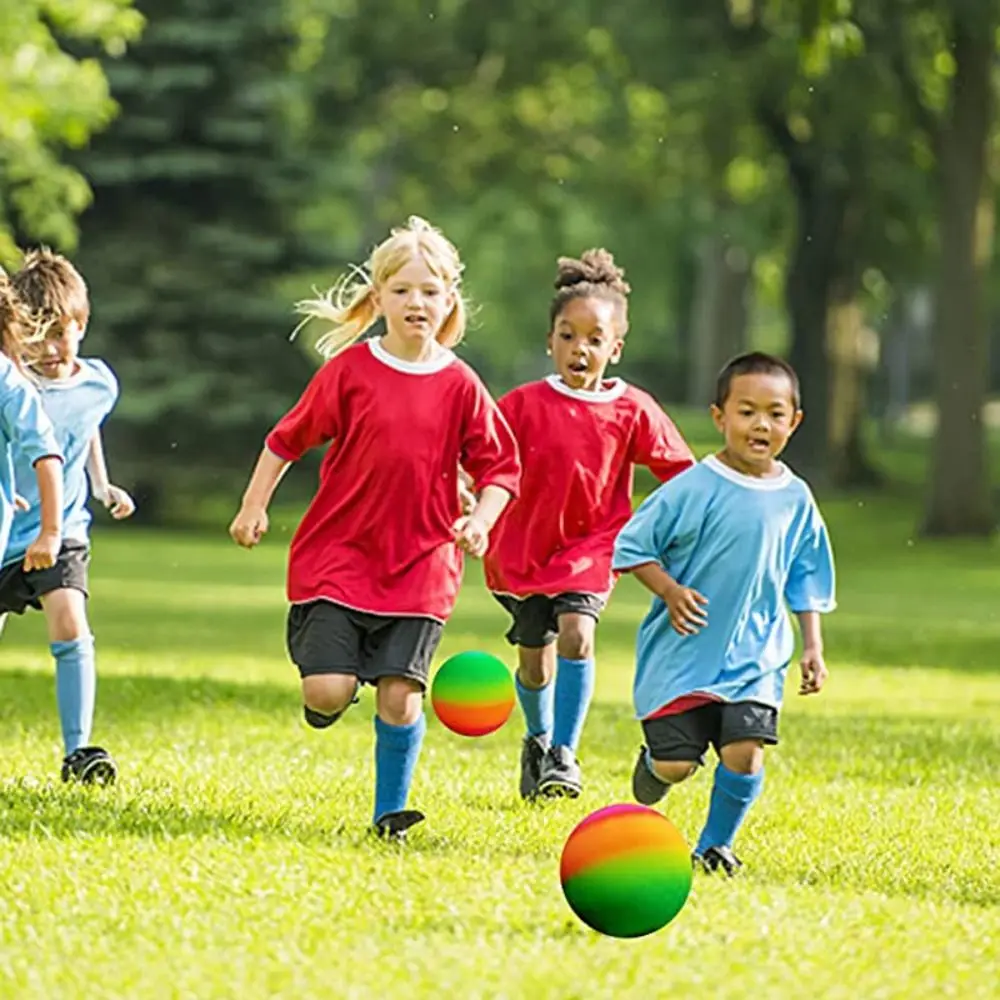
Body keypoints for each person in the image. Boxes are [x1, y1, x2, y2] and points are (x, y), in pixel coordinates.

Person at [229, 217, 521, 840]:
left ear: (449, 301)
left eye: (430, 291)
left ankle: (389, 813)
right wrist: (254, 506)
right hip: (339, 556)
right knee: (328, 694)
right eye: (403, 290)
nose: (417, 302)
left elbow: (501, 468)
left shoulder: (461, 385)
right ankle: (329, 678)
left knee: (401, 697)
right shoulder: (350, 372)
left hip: (421, 565)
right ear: (379, 297)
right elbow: (286, 440)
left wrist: (481, 519)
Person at [612, 351, 836, 875]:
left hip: (757, 654)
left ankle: (714, 847)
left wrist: (812, 645)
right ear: (720, 417)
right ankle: (654, 766)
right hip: (684, 654)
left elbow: (807, 574)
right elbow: (633, 545)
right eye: (747, 411)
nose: (761, 424)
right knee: (677, 765)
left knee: (746, 752)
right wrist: (669, 591)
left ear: (794, 422)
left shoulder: (796, 499)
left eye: (775, 414)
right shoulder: (693, 487)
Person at [482, 249, 694, 801]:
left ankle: (564, 754)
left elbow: (683, 476)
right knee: (535, 663)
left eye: (595, 338)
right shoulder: (522, 404)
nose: (581, 349)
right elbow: (480, 457)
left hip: (593, 546)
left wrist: (678, 530)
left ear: (615, 348)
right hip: (522, 550)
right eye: (568, 335)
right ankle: (537, 738)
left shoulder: (633, 408)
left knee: (577, 634)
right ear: (550, 340)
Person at [0, 249, 133, 785]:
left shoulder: (99, 383)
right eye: (41, 336)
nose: (53, 348)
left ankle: (80, 750)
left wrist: (101, 485)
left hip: (65, 529)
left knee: (70, 619)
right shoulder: (13, 384)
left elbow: (84, 430)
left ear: (83, 325)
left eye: (65, 332)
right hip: (9, 534)